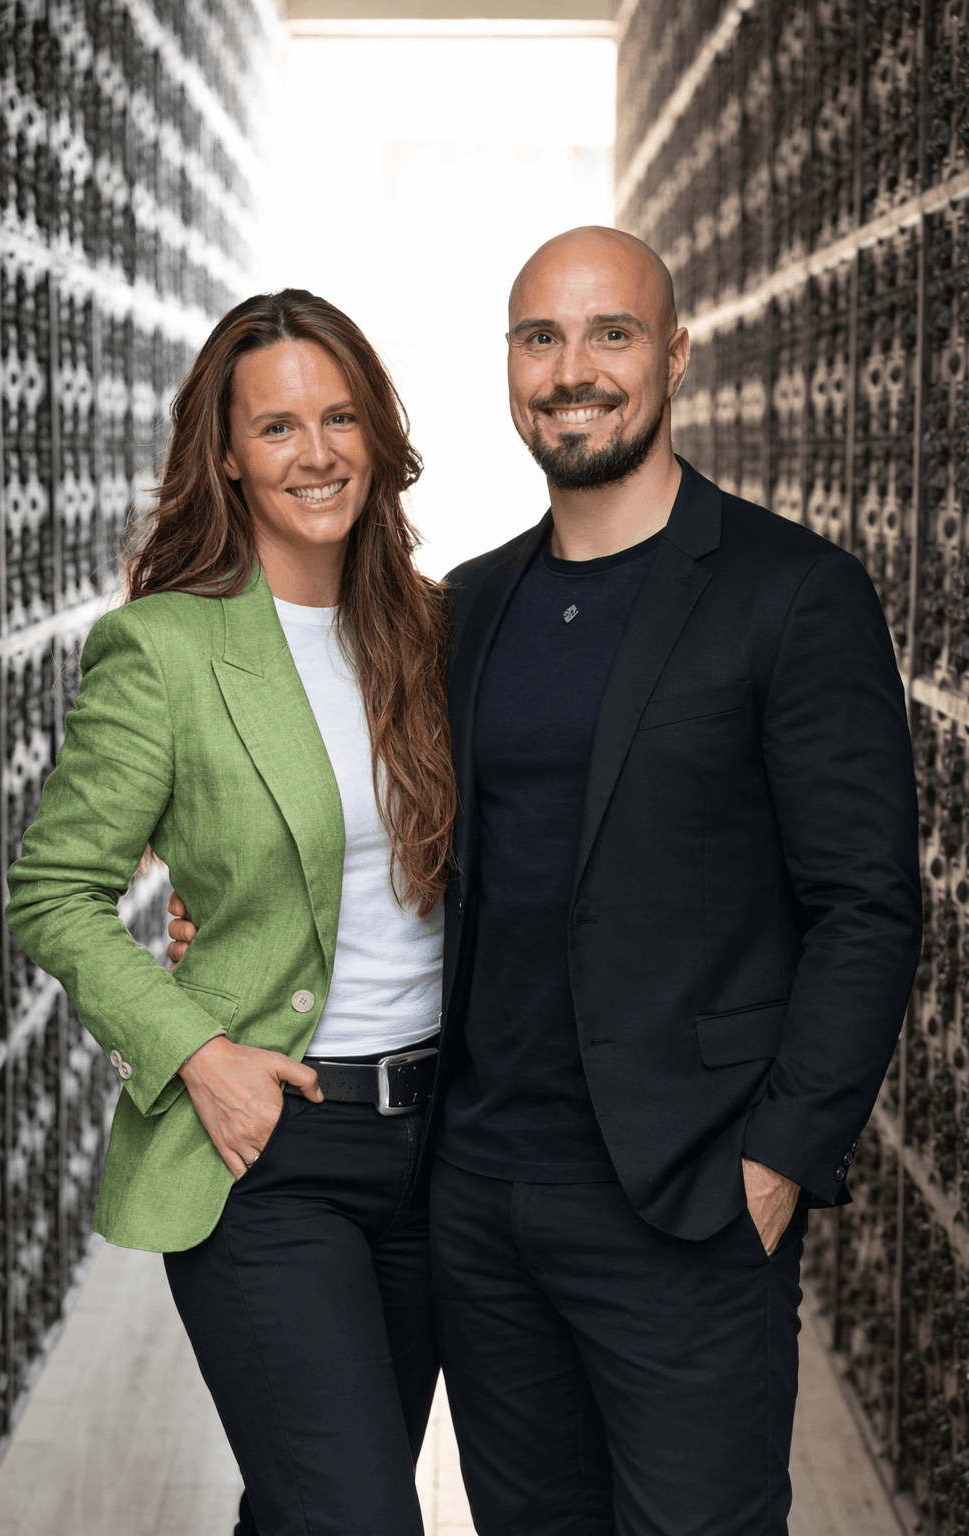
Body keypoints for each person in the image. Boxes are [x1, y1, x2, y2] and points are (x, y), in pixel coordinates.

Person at [168, 228, 922, 1535]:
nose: (574, 369)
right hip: (478, 1195)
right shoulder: (464, 609)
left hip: (688, 1200)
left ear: (674, 353)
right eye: (541, 338)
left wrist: (780, 1162)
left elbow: (867, 904)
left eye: (611, 333)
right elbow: (395, 839)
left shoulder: (793, 593)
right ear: (511, 368)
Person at [5, 289, 457, 1536]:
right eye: (276, 428)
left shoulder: (435, 630)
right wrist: (200, 1053)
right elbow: (52, 889)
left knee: (310, 1502)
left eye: (340, 417)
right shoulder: (162, 650)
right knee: (360, 1515)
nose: (315, 454)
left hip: (442, 1144)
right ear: (226, 456)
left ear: (377, 433)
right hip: (273, 1147)